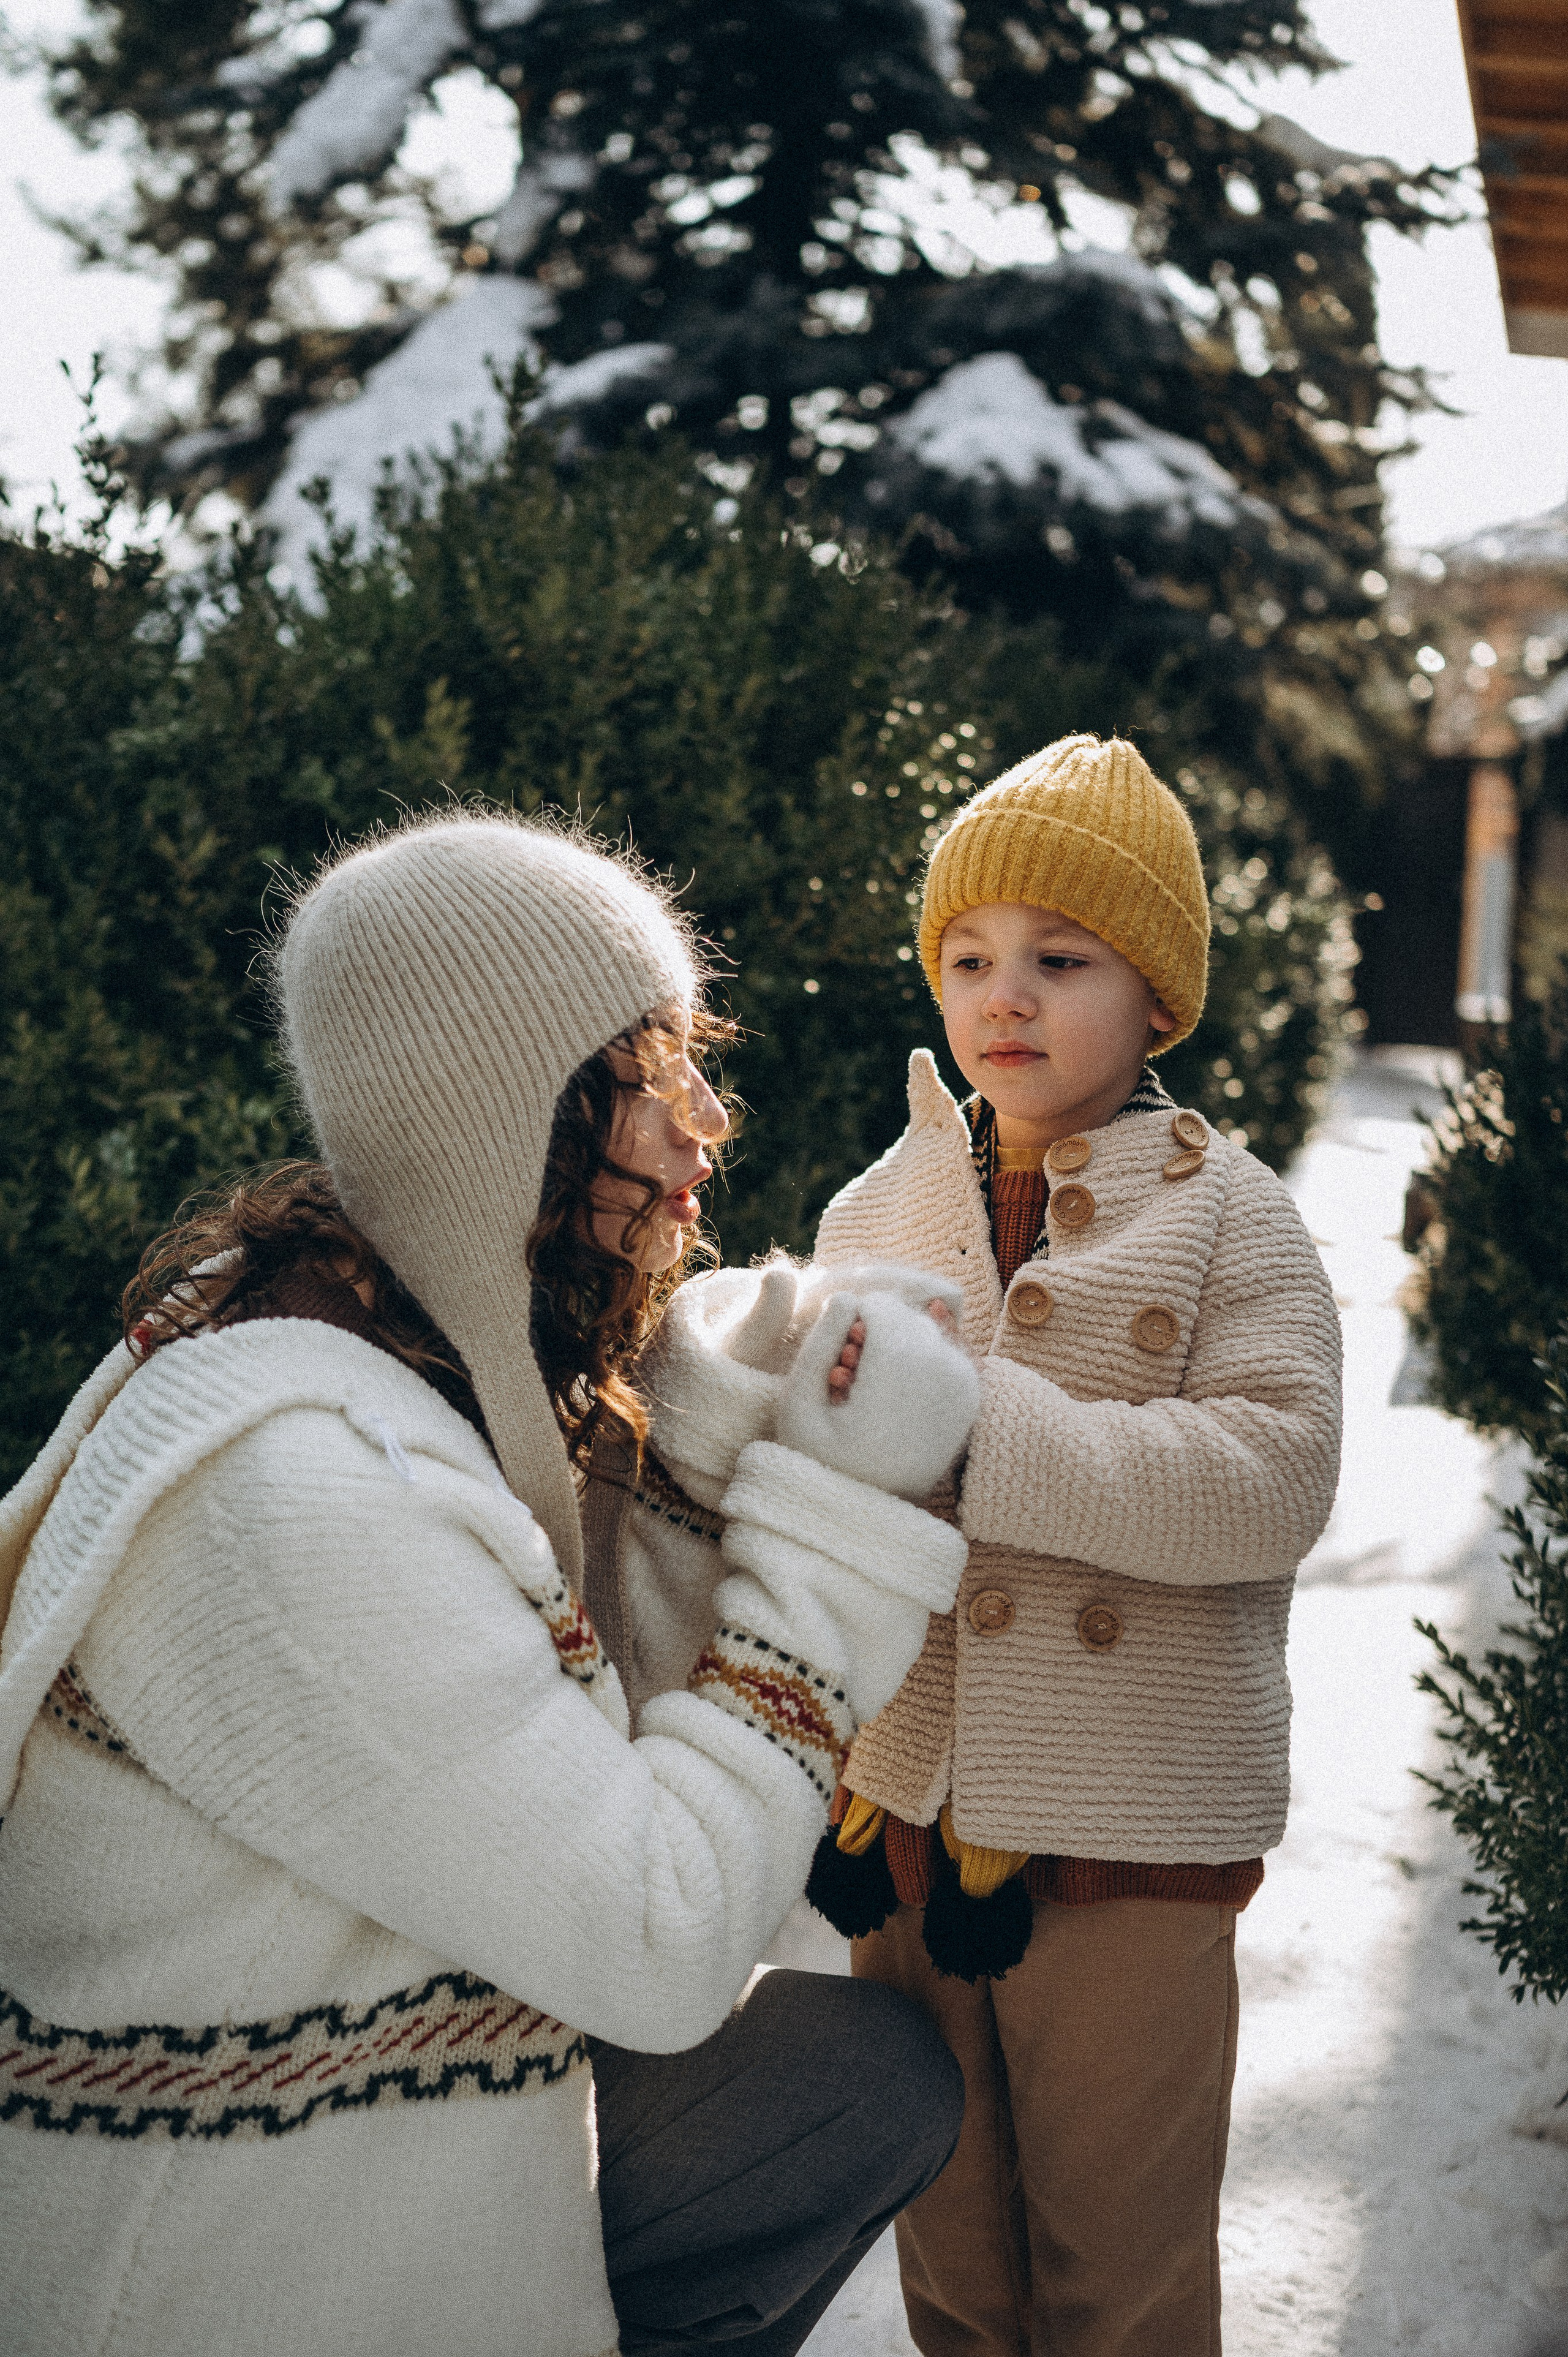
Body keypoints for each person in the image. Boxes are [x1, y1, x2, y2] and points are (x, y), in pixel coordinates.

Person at [0, 810, 975, 2357]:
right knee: (846, 2082)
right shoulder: (300, 1497)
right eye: (653, 1075)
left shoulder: (358, 1329)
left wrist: (733, 1402)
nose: (707, 1123)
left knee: (853, 2076)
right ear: (504, 1116)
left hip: (329, 2102)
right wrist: (835, 1518)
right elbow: (659, 1937)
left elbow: (580, 1727)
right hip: (219, 2250)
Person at [801, 735, 1344, 2356]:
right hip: (910, 1825)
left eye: (1060, 958)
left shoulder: (1230, 1213)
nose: (1005, 997)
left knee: (1122, 2275)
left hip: (1129, 1848)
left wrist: (990, 1440)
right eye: (969, 957)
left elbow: (1275, 1476)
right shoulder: (876, 1210)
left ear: (1156, 1000)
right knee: (954, 2261)